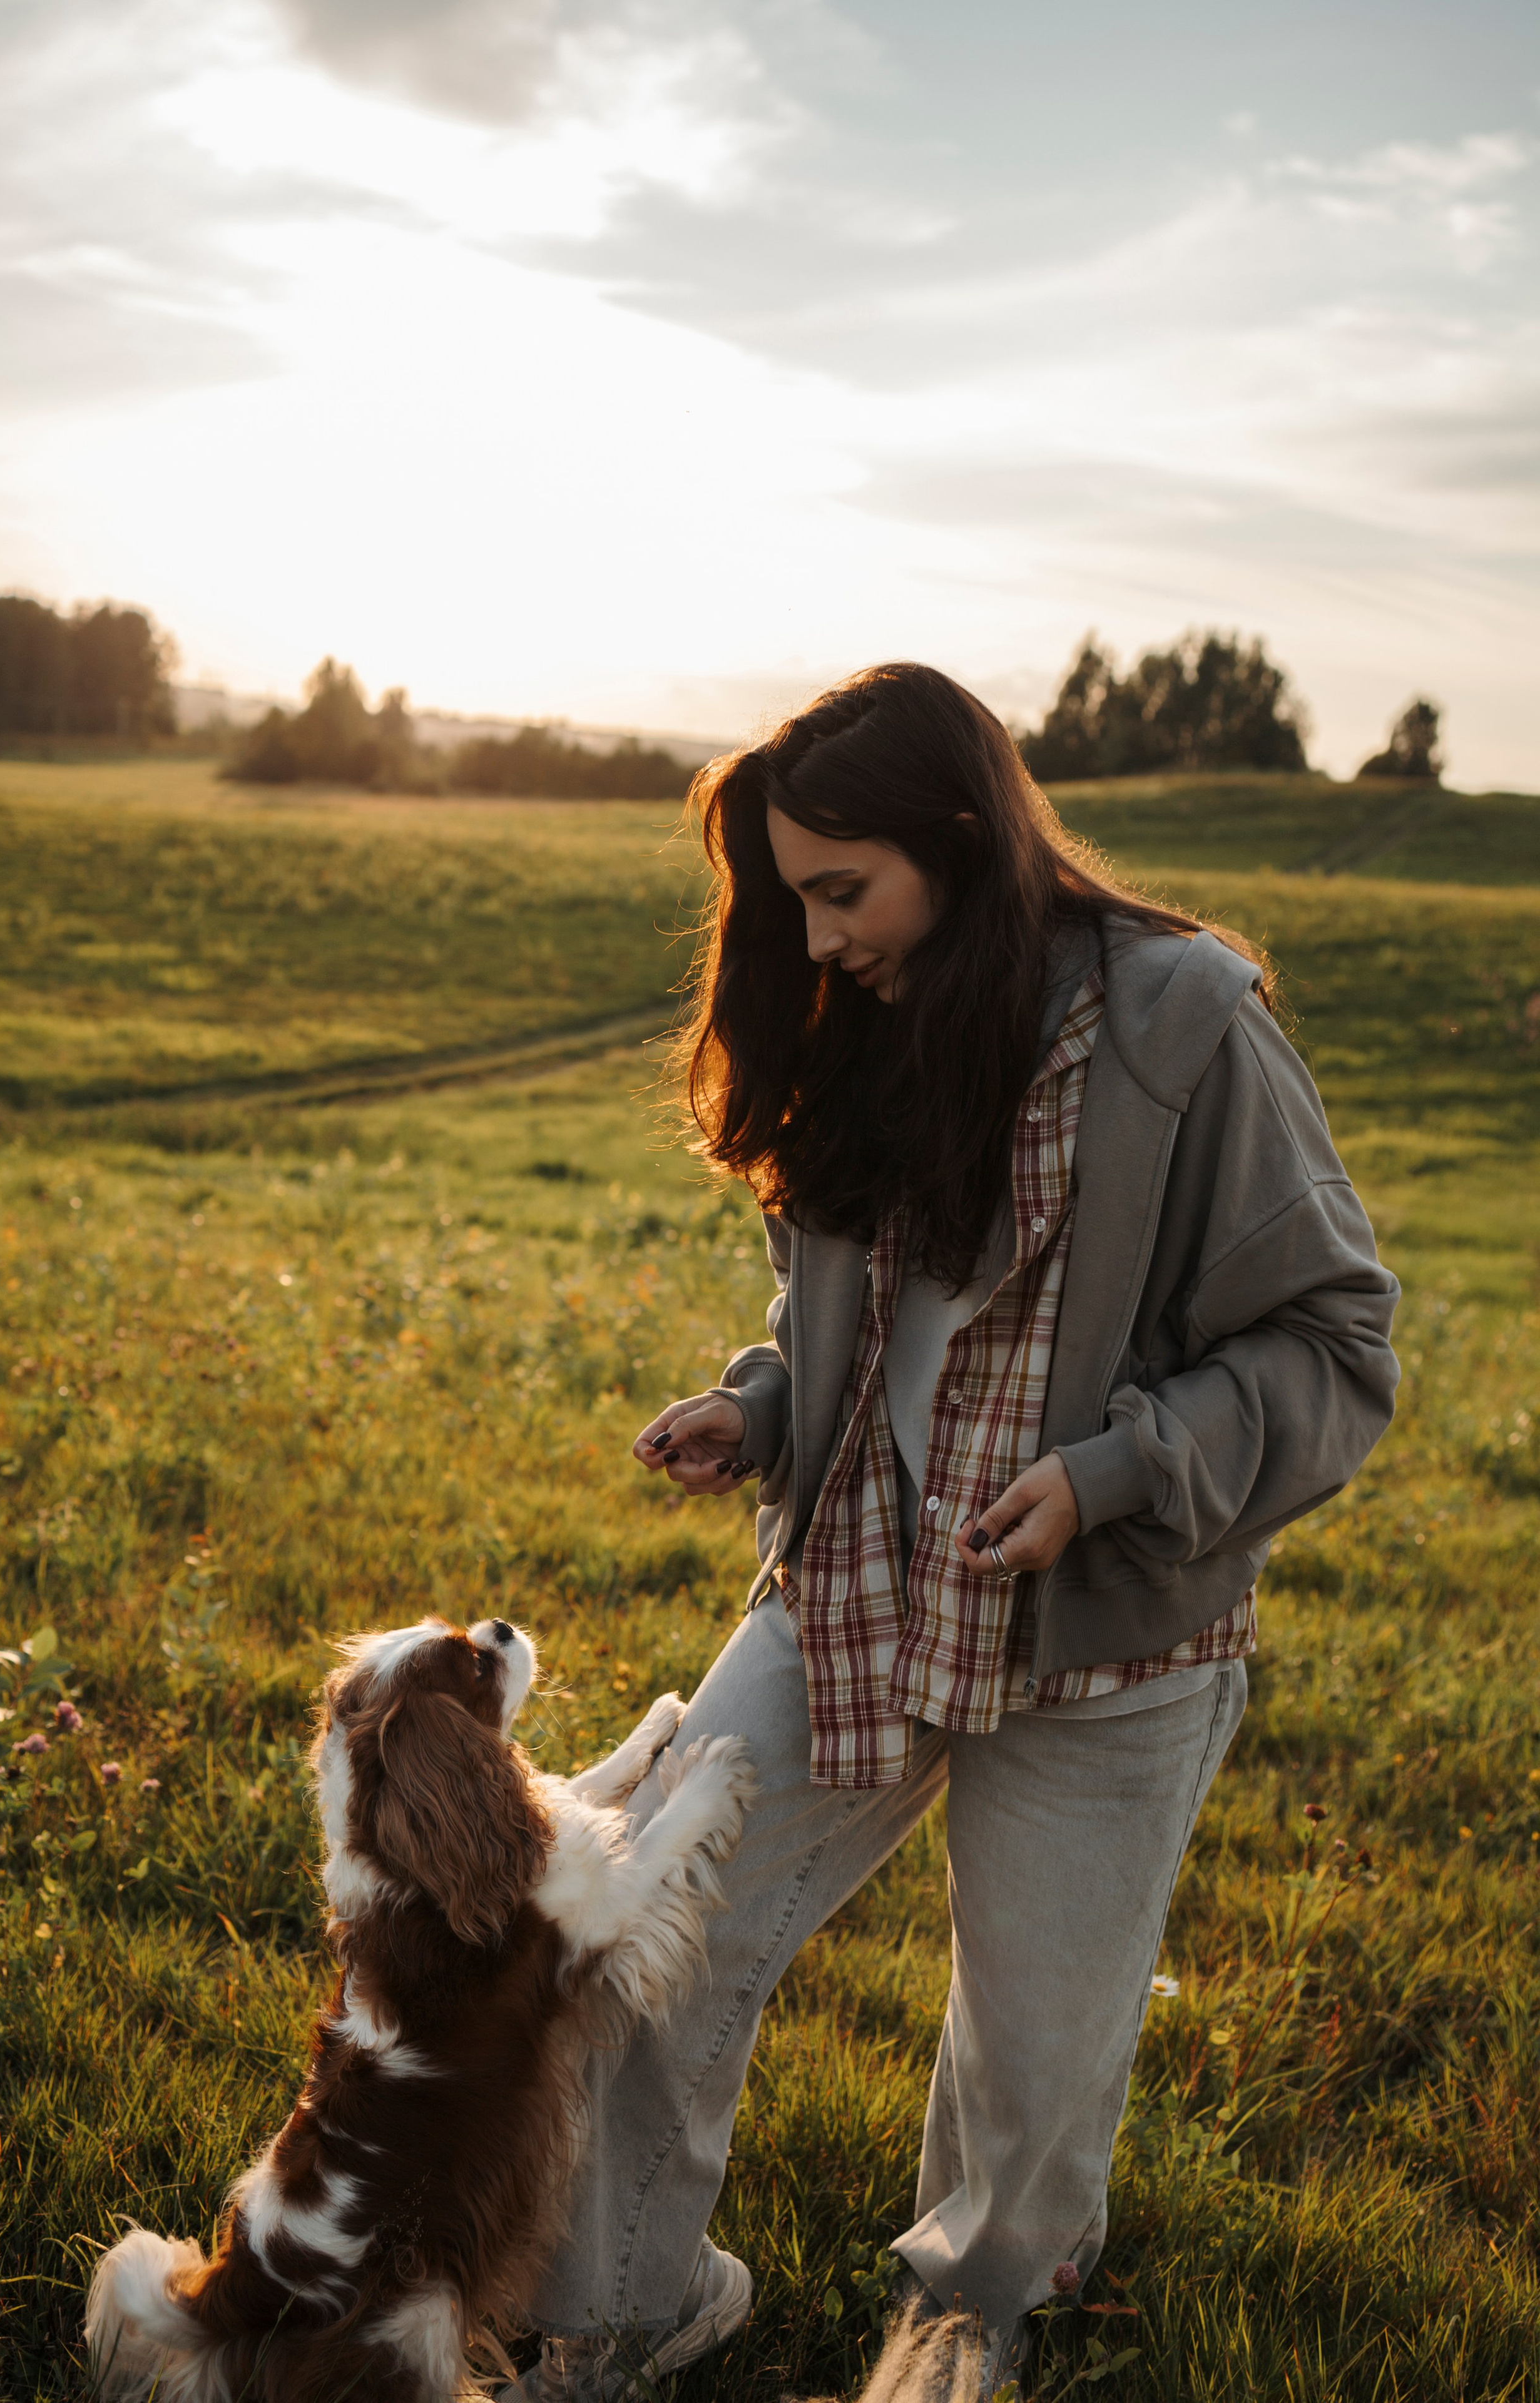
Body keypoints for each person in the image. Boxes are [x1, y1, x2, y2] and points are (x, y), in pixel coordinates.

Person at [507, 663, 1400, 2400]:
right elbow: (885, 1330)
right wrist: (762, 1408)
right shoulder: (868, 1016)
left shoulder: (1182, 1025)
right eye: (792, 900)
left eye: (842, 890)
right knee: (654, 1930)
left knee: (1032, 2062)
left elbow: (1335, 1348)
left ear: (966, 843)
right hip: (853, 1579)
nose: (818, 939)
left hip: (1112, 1627)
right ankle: (621, 2309)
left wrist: (1118, 1473)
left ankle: (958, 2327)